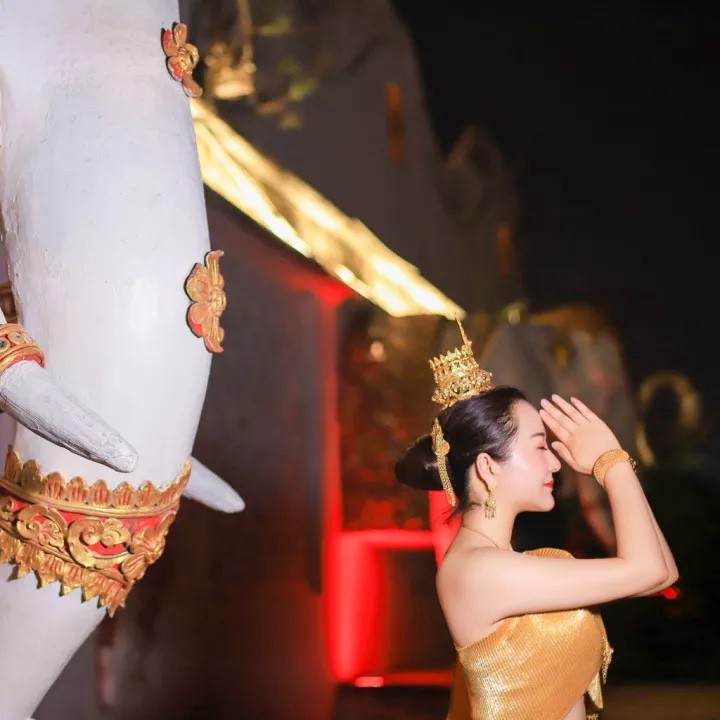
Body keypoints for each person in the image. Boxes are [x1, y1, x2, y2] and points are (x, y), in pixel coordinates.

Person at [395, 321, 677, 720]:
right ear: (488, 468)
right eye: (540, 446)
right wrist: (611, 463)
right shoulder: (478, 571)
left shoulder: (512, 563)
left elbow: (661, 573)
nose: (555, 462)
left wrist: (613, 463)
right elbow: (648, 570)